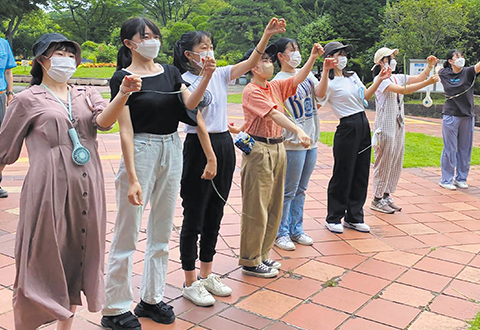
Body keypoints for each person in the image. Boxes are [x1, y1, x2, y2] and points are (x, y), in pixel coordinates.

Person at [0, 32, 141, 330]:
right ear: (42, 60)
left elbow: (103, 123)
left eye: (69, 54)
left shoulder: (86, 94)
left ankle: (67, 326)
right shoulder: (27, 99)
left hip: (87, 187)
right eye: (58, 54)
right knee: (38, 256)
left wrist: (123, 93)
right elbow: (4, 150)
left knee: (80, 251)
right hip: (46, 189)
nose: (66, 60)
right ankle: (27, 322)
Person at [101, 18, 215, 329]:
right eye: (145, 36)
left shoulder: (170, 72)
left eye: (155, 35)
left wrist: (205, 76)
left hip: (171, 146)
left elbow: (190, 103)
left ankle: (151, 298)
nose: (152, 40)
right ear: (129, 43)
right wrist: (134, 177)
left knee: (162, 230)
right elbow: (124, 130)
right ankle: (114, 308)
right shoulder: (123, 78)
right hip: (141, 148)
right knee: (127, 231)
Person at [172, 17, 286, 306]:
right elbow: (194, 114)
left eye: (211, 46)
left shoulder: (222, 73)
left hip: (223, 142)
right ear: (189, 54)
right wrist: (210, 157)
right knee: (194, 214)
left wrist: (265, 34)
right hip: (200, 146)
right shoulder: (184, 80)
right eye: (203, 47)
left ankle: (208, 273)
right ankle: (189, 279)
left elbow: (250, 63)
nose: (209, 51)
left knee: (215, 211)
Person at [237, 41, 322, 277]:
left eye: (269, 59)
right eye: (264, 60)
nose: (269, 63)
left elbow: (296, 80)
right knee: (257, 207)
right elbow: (274, 113)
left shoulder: (272, 86)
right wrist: (298, 130)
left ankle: (263, 255)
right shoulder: (252, 90)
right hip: (260, 150)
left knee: (274, 205)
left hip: (277, 148)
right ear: (253, 66)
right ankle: (250, 260)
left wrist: (312, 58)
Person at [316, 42, 391, 234]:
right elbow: (320, 94)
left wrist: (380, 79)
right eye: (338, 54)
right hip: (347, 126)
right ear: (329, 58)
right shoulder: (328, 81)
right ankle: (333, 217)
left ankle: (354, 216)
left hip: (363, 123)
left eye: (343, 54)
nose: (342, 58)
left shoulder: (352, 76)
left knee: (361, 171)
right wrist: (325, 71)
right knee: (343, 173)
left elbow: (365, 95)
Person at [370, 48, 439, 212]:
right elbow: (404, 90)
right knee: (384, 160)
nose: (394, 60)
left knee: (395, 160)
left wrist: (429, 67)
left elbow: (418, 77)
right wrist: (427, 83)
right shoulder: (381, 80)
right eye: (390, 57)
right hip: (385, 126)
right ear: (381, 61)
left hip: (398, 123)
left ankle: (386, 195)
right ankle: (377, 198)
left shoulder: (396, 77)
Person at [270, 37, 320, 251]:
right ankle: (281, 232)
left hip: (311, 140)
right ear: (281, 56)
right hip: (292, 143)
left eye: (298, 49)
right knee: (288, 190)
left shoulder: (308, 76)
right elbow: (295, 81)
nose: (296, 54)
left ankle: (296, 229)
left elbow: (321, 95)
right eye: (292, 50)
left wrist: (324, 69)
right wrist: (312, 58)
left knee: (301, 189)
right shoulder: (278, 81)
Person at [438, 49, 480, 190]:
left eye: (462, 56)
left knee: (465, 148)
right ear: (450, 61)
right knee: (450, 148)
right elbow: (437, 69)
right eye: (457, 56)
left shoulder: (468, 72)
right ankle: (446, 179)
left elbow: (478, 66)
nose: (461, 58)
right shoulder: (444, 73)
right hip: (451, 114)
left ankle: (461, 178)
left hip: (467, 115)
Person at [0, 37, 16, 198]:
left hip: (0, 95)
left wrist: (10, 94)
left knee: (2, 140)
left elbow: (8, 71)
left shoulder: (3, 44)